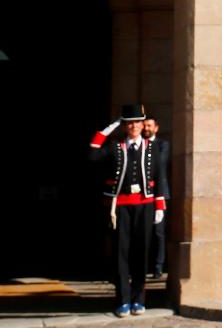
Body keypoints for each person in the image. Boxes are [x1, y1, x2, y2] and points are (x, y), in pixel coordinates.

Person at [89, 105, 167, 318]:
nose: (133, 126)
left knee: (141, 254)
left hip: (145, 205)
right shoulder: (116, 146)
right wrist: (107, 129)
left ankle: (139, 300)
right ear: (124, 126)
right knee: (121, 255)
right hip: (120, 207)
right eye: (129, 122)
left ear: (143, 125)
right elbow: (92, 154)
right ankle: (123, 301)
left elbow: (160, 177)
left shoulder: (152, 148)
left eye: (137, 122)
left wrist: (160, 206)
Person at [141, 117, 171, 277]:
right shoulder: (138, 145)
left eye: (149, 125)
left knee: (159, 232)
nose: (146, 128)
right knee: (143, 232)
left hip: (160, 194)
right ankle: (144, 265)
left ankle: (159, 266)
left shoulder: (162, 145)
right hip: (141, 194)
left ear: (156, 128)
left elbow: (161, 163)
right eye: (144, 125)